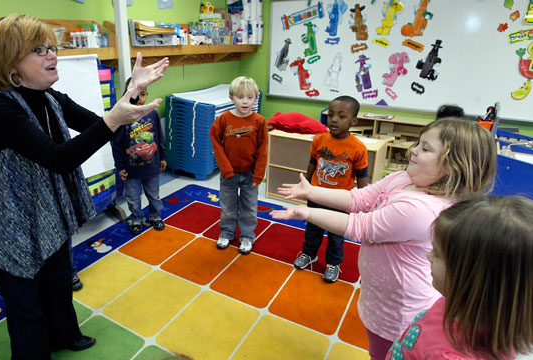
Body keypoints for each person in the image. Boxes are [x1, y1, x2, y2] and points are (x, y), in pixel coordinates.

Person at [0, 14, 168, 360]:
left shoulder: (50, 99)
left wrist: (131, 94)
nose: (52, 55)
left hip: (48, 213)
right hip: (10, 223)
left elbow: (102, 127)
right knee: (25, 304)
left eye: (51, 47)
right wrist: (115, 117)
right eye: (38, 50)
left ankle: (64, 335)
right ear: (9, 62)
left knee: (58, 284)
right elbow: (58, 157)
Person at [270, 117, 496, 360]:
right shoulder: (405, 179)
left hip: (399, 311)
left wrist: (307, 212)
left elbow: (360, 226)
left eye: (425, 148)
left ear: (454, 166)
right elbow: (359, 200)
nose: (413, 150)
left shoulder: (419, 209)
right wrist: (311, 192)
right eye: (418, 143)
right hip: (380, 297)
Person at [388, 196, 533, 359]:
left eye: (437, 254)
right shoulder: (461, 303)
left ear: (472, 280)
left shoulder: (448, 355)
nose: (428, 256)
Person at [293, 95, 370, 283]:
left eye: (341, 116)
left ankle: (333, 263)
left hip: (339, 200)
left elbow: (362, 177)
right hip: (317, 195)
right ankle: (309, 254)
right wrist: (306, 185)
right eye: (331, 114)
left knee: (336, 235)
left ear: (354, 121)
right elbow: (313, 163)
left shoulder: (358, 148)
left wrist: (363, 203)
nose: (334, 119)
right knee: (313, 229)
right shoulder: (319, 140)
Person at [209, 76, 268, 255]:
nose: (245, 101)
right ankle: (227, 233)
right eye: (240, 97)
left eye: (249, 97)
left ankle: (247, 237)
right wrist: (226, 169)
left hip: (250, 174)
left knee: (249, 207)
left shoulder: (259, 121)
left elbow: (263, 149)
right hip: (229, 174)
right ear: (231, 98)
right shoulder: (224, 119)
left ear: (255, 99)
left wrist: (258, 175)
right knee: (228, 206)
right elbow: (216, 144)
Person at [111, 77, 167, 235]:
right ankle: (136, 218)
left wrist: (162, 157)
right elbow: (117, 146)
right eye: (135, 94)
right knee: (133, 198)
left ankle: (155, 216)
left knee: (154, 195)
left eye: (142, 94)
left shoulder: (153, 114)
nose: (139, 99)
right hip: (131, 171)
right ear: (127, 94)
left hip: (152, 167)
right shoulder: (122, 117)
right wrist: (120, 167)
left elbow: (159, 138)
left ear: (147, 95)